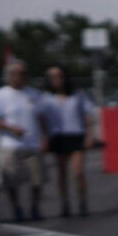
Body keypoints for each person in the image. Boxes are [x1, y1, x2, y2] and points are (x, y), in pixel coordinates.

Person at [0, 60, 47, 222]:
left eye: (24, 74)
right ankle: (17, 208)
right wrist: (11, 128)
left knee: (37, 179)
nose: (21, 77)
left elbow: (41, 118)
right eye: (18, 74)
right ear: (10, 75)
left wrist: (45, 137)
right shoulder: (0, 95)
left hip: (32, 143)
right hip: (10, 144)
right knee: (12, 180)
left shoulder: (33, 94)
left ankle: (34, 207)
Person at [40, 65, 95, 217]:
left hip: (75, 134)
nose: (56, 80)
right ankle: (65, 202)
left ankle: (82, 201)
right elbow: (42, 119)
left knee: (77, 172)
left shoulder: (77, 95)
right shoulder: (46, 98)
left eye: (59, 76)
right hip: (57, 136)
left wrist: (89, 135)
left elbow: (87, 116)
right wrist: (44, 137)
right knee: (61, 172)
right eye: (52, 77)